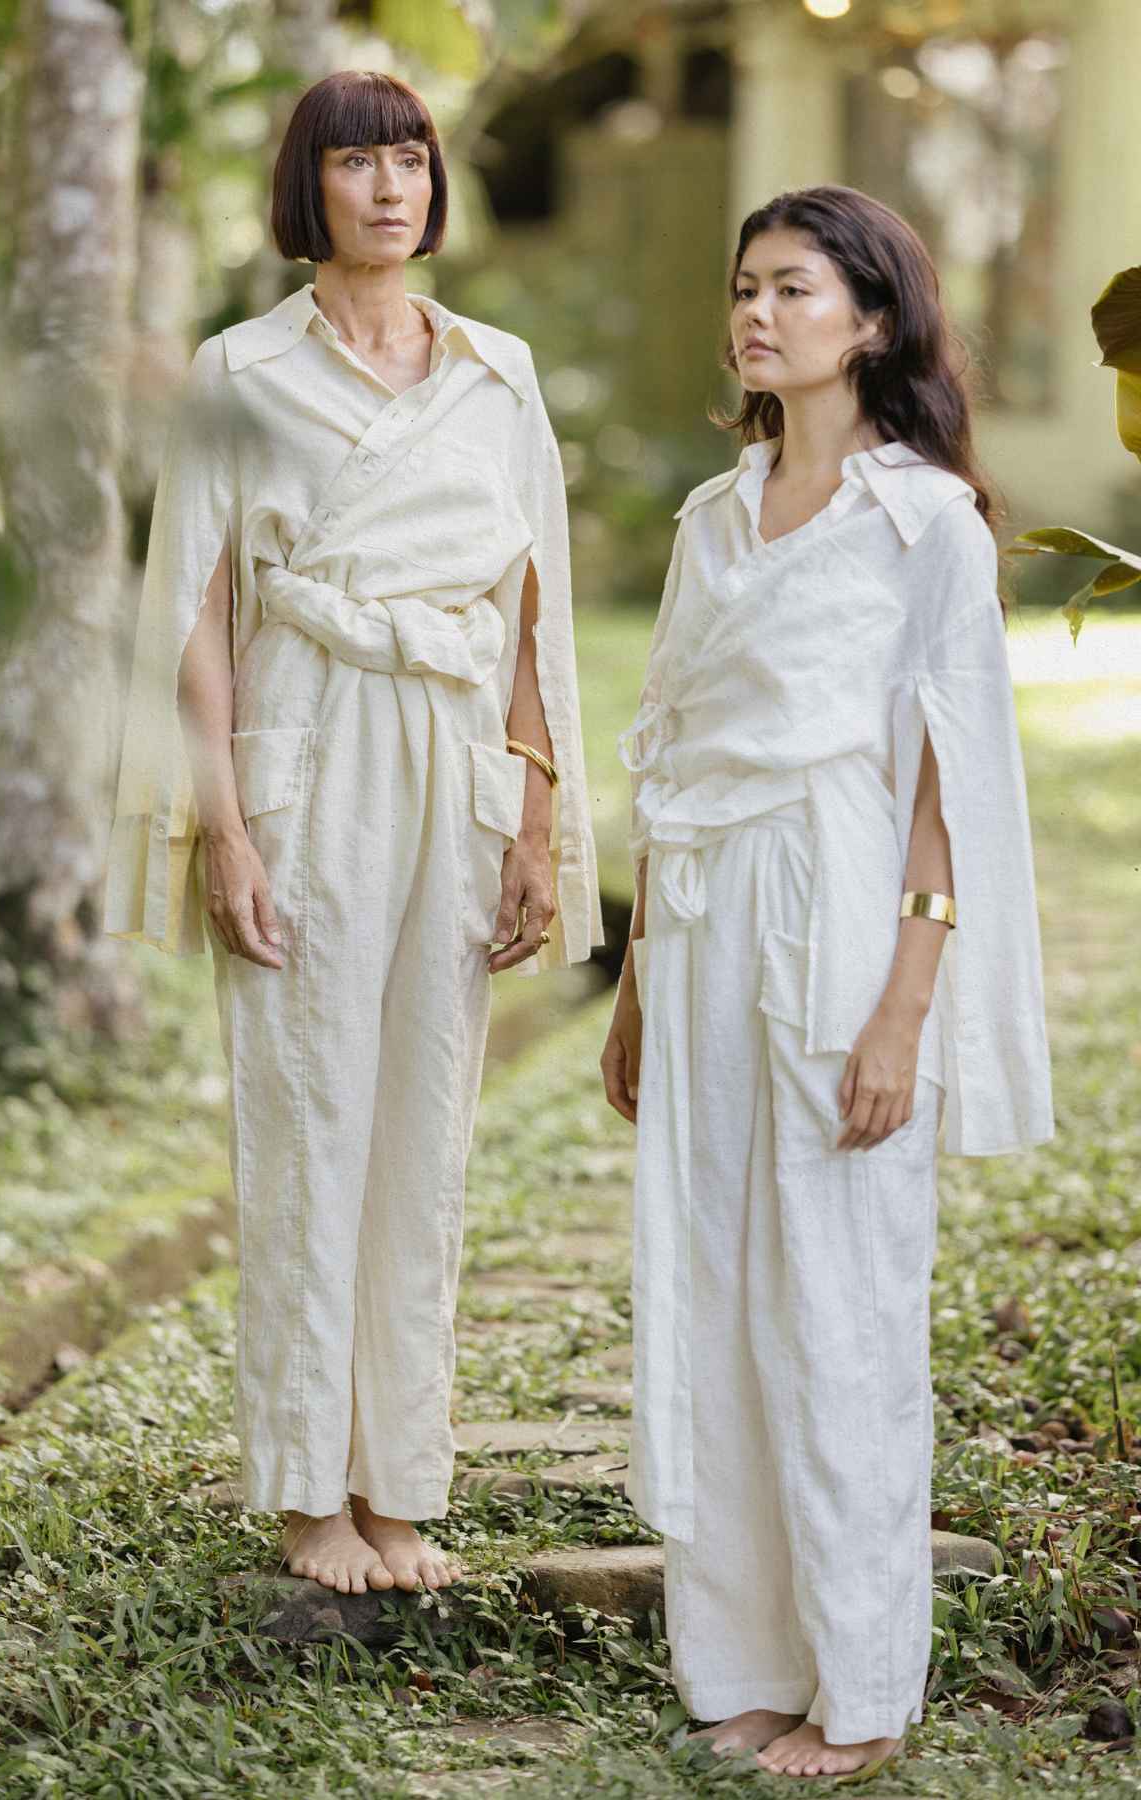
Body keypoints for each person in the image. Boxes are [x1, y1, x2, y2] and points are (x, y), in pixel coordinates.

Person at [105, 70, 601, 1596]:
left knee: (426, 1134)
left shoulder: (498, 374)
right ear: (307, 188)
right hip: (301, 754)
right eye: (356, 163)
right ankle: (305, 1489)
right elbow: (194, 611)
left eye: (410, 160)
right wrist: (227, 835)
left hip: (453, 757)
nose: (389, 187)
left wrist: (539, 816)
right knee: (306, 1122)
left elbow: (533, 616)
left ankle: (401, 1484)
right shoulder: (240, 370)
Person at [600, 185, 1052, 1780]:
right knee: (717, 1288)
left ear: (870, 320)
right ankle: (740, 1657)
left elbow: (949, 785)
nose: (758, 312)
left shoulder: (925, 521)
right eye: (745, 288)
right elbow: (668, 754)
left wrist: (903, 1010)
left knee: (840, 1298)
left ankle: (859, 1690)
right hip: (708, 924)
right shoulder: (713, 519)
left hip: (844, 915)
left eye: (794, 288)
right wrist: (641, 982)